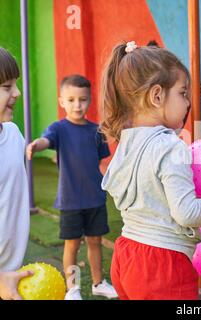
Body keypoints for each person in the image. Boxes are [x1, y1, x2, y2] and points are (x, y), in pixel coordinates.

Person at [100, 41, 201, 300]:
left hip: (126, 256)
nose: (188, 103)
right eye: (183, 93)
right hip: (162, 266)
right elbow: (186, 213)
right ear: (156, 96)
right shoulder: (170, 147)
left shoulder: (126, 141)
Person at [26, 75, 117, 300]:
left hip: (95, 199)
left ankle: (98, 283)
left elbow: (103, 164)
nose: (77, 105)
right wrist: (37, 145)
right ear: (61, 101)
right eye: (72, 99)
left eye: (83, 100)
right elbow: (46, 140)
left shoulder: (96, 131)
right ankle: (73, 288)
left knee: (95, 243)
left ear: (89, 100)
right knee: (72, 245)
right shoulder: (58, 129)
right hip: (70, 201)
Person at [0, 47, 33, 300]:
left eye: (16, 85)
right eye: (6, 87)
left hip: (13, 271)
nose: (17, 93)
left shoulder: (14, 135)